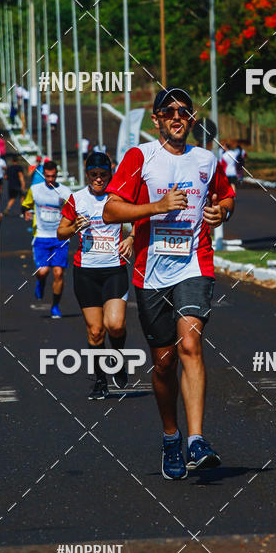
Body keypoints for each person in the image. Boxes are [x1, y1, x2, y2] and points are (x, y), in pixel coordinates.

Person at [103, 87, 235, 479]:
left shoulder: (206, 160)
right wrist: (155, 207)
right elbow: (111, 209)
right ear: (156, 119)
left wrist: (221, 213)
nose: (178, 117)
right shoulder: (140, 157)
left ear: (192, 119)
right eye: (169, 111)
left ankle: (196, 440)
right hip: (150, 271)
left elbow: (227, 198)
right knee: (163, 363)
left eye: (184, 111)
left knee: (191, 343)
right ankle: (171, 436)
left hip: (195, 262)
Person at [58, 151, 134, 399]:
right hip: (86, 272)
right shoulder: (76, 199)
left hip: (114, 269)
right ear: (87, 173)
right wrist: (73, 227)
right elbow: (61, 232)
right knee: (95, 331)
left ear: (111, 172)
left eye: (103, 175)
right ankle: (100, 380)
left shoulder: (119, 197)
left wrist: (131, 238)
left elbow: (138, 224)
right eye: (94, 175)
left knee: (116, 324)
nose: (99, 180)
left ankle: (119, 359)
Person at [22, 160, 71, 319]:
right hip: (41, 237)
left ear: (56, 175)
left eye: (53, 176)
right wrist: (26, 212)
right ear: (44, 175)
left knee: (58, 273)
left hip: (60, 238)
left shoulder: (65, 191)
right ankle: (41, 283)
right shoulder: (35, 190)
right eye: (47, 176)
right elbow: (26, 204)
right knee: (43, 272)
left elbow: (73, 211)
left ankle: (55, 306)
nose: (50, 180)